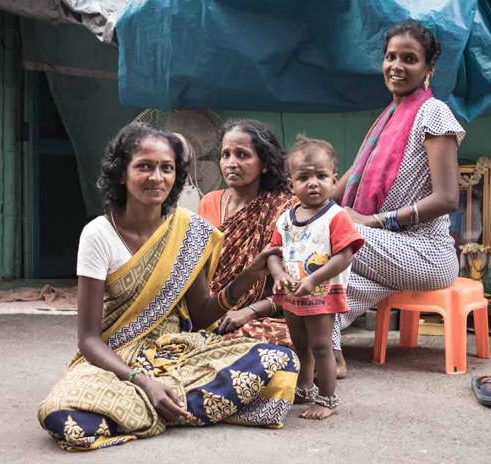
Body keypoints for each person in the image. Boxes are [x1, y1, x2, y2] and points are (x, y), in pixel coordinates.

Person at [37, 123, 299, 451]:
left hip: (176, 350)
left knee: (281, 362)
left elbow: (203, 316)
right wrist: (142, 381)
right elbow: (89, 340)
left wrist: (249, 275)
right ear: (121, 173)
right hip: (116, 357)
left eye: (167, 168)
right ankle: (172, 404)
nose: (157, 177)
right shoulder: (98, 234)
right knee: (65, 418)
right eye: (144, 166)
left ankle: (150, 408)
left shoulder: (188, 231)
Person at [331, 21, 465, 366]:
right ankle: (323, 343)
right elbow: (353, 174)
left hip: (426, 252)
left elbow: (448, 198)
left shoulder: (433, 112)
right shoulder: (390, 116)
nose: (397, 66)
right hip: (386, 250)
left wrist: (370, 222)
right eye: (391, 57)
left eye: (410, 59)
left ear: (428, 69)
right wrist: (307, 202)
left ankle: (320, 346)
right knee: (337, 275)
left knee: (326, 235)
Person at [268, 136, 364, 419]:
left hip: (321, 293)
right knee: (299, 344)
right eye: (304, 177)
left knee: (321, 346)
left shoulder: (336, 217)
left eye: (321, 176)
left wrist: (313, 280)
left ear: (334, 181)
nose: (313, 183)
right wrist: (278, 274)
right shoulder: (285, 219)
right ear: (291, 184)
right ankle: (304, 387)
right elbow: (274, 251)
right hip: (292, 294)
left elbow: (344, 255)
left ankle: (327, 399)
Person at [198, 119, 298, 348]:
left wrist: (249, 311)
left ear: (264, 163)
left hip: (262, 315)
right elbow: (199, 273)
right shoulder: (209, 202)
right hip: (208, 309)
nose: (231, 163)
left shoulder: (285, 209)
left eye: (242, 155)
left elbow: (296, 285)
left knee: (297, 338)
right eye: (226, 155)